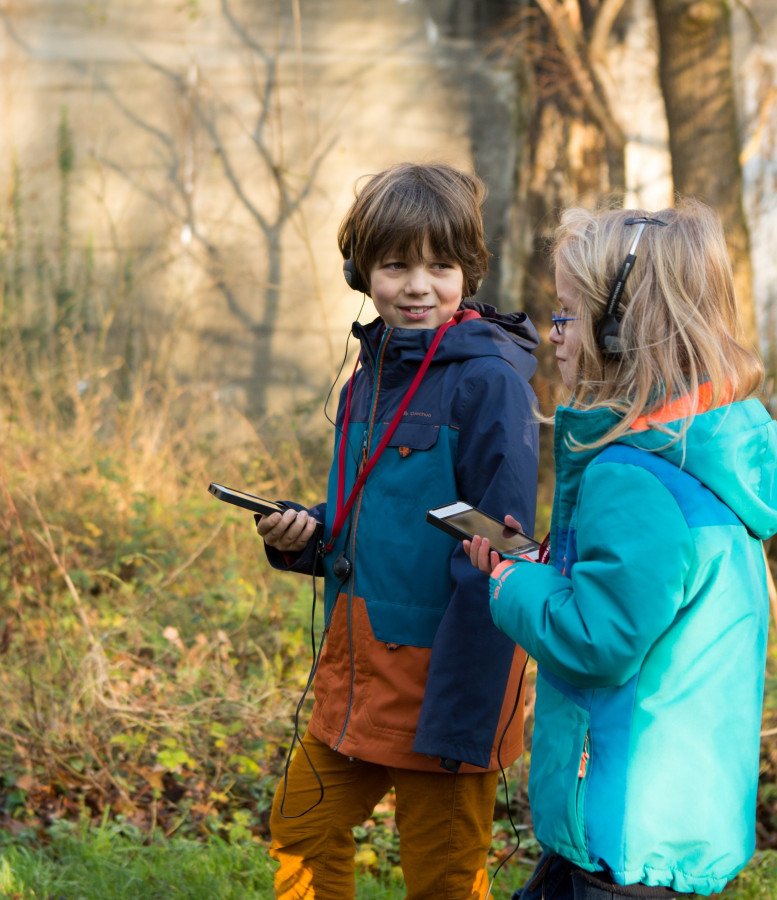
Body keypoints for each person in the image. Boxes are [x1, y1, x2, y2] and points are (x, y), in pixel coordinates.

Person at [464, 200, 777, 898]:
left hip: (622, 834)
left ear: (622, 331)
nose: (554, 333)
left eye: (568, 313)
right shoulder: (698, 456)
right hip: (669, 823)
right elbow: (635, 600)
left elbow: (598, 640)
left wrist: (512, 581)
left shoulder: (635, 476)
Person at [255, 162, 541, 899]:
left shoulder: (490, 382)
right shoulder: (367, 376)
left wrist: (465, 712)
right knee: (303, 830)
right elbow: (371, 521)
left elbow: (505, 551)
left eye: (440, 266)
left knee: (442, 881)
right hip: (355, 677)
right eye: (395, 265)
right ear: (360, 272)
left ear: (468, 271)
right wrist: (306, 534)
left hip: (444, 683)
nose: (418, 286)